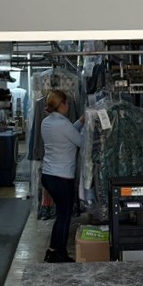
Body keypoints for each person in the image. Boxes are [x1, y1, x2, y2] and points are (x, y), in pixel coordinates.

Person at [40, 89, 84, 263]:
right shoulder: (64, 124)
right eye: (67, 103)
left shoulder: (46, 122)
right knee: (64, 216)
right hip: (62, 177)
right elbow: (81, 142)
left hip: (48, 175)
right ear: (62, 104)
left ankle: (52, 250)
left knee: (61, 215)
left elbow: (68, 133)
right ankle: (60, 254)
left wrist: (80, 122)